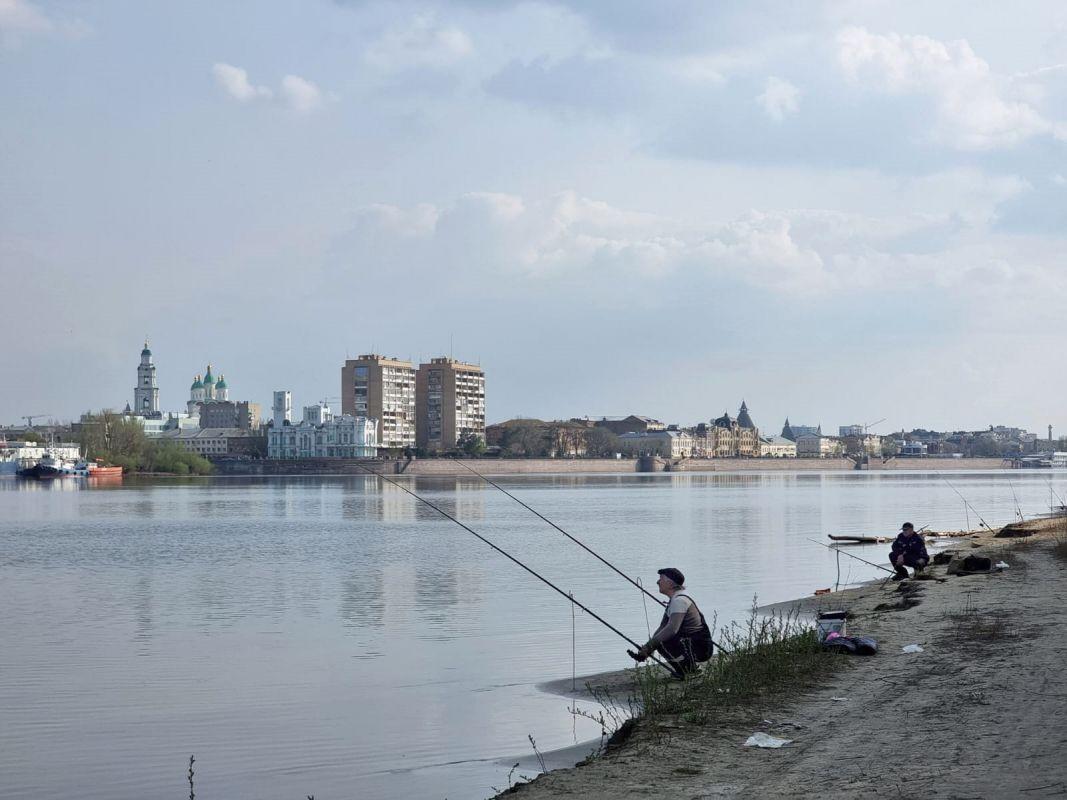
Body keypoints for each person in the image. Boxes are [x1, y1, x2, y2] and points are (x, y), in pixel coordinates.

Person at [629, 568, 713, 676]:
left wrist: (650, 645)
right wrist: (648, 649)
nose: (657, 582)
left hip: (701, 648)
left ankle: (690, 670)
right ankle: (688, 668)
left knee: (663, 641)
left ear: (670, 583)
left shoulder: (679, 601)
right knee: (660, 639)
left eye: (661, 579)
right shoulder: (675, 599)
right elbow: (662, 627)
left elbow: (671, 629)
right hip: (693, 644)